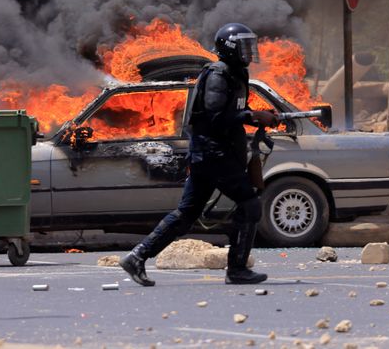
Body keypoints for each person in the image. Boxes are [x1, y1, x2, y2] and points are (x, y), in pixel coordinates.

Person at [119, 23, 278, 286]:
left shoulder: (236, 74)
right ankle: (237, 269)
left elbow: (235, 108)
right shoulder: (217, 74)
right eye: (244, 46)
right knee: (250, 205)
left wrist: (263, 117)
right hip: (213, 155)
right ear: (230, 48)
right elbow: (215, 116)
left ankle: (137, 256)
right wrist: (251, 116)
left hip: (212, 155)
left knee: (186, 214)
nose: (249, 52)